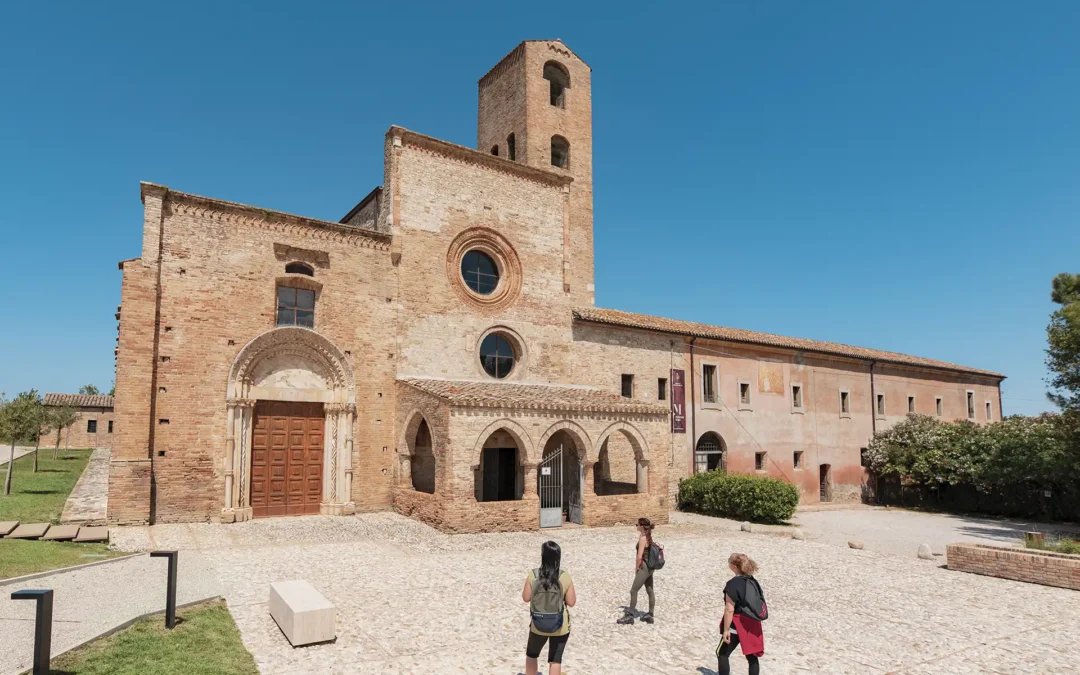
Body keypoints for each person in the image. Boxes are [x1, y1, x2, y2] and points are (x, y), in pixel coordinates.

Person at [522, 540, 576, 675]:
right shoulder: (564, 576)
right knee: (555, 660)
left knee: (532, 655)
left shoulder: (533, 575)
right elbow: (571, 602)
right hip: (560, 624)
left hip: (538, 623)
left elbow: (525, 598)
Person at [718, 552, 765, 675]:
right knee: (752, 656)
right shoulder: (753, 581)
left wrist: (726, 629)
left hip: (737, 623)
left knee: (722, 653)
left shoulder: (733, 584)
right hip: (753, 622)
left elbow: (729, 609)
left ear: (733, 566)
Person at [616, 517, 657, 625]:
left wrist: (636, 568)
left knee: (633, 591)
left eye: (637, 524)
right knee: (649, 590)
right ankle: (650, 614)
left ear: (641, 526)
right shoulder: (648, 536)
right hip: (650, 568)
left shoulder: (643, 538)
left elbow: (639, 556)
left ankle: (629, 616)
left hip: (644, 567)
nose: (636, 526)